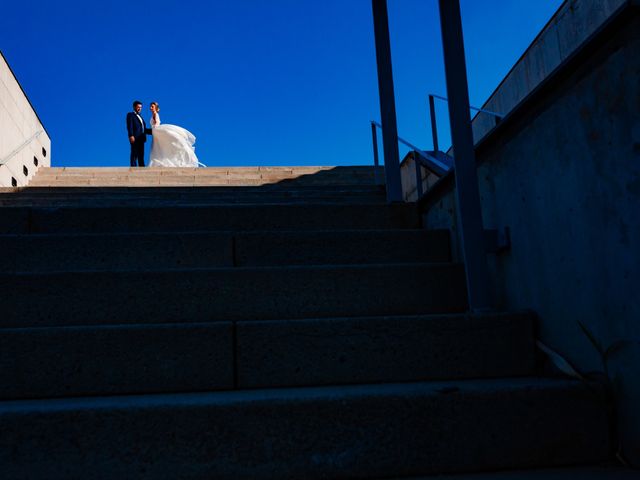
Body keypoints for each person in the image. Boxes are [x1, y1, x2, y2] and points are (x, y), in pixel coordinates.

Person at [148, 102, 199, 168]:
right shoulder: (153, 115)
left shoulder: (155, 114)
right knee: (159, 147)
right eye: (150, 106)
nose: (150, 108)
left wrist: (153, 129)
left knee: (160, 146)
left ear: (155, 108)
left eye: (152, 106)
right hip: (155, 132)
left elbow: (157, 123)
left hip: (156, 130)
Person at [126, 100, 152, 167]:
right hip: (135, 137)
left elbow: (144, 129)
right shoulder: (130, 115)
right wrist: (131, 135)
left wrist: (154, 131)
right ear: (134, 107)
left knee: (141, 154)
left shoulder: (141, 117)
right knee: (134, 153)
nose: (139, 109)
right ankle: (133, 168)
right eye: (138, 107)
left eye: (140, 107)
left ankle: (142, 168)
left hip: (141, 138)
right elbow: (130, 126)